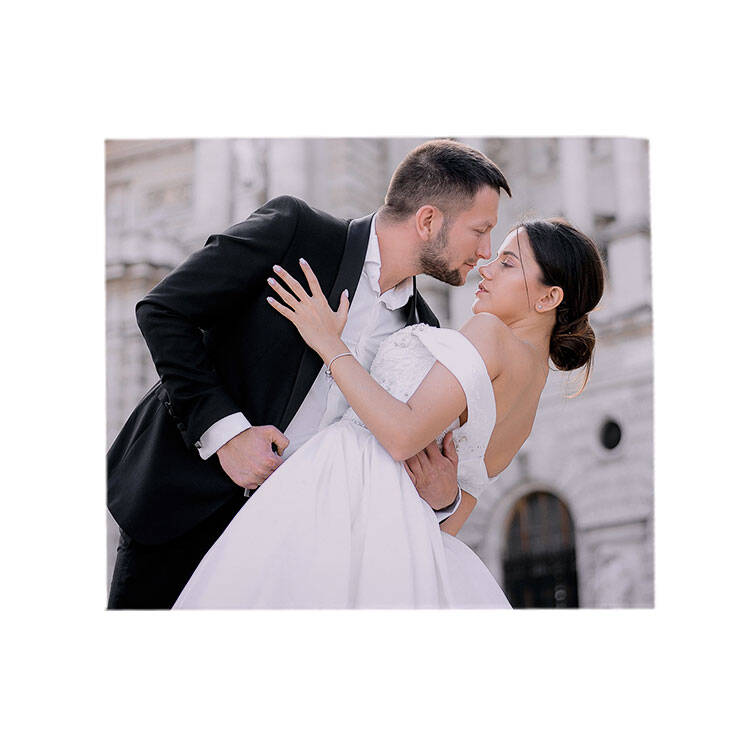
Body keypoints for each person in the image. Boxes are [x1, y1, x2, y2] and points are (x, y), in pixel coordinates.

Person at [107, 139, 512, 609]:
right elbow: (163, 311)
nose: (485, 251)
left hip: (300, 560)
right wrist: (227, 434)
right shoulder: (297, 232)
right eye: (480, 230)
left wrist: (441, 499)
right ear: (428, 220)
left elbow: (393, 457)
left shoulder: (424, 332)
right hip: (186, 510)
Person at [173, 218, 606, 608]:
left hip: (342, 487)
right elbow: (451, 517)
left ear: (549, 297)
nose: (486, 268)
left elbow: (401, 434)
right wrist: (444, 499)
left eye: (508, 263)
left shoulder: (489, 334)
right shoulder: (530, 399)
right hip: (402, 538)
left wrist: (328, 342)